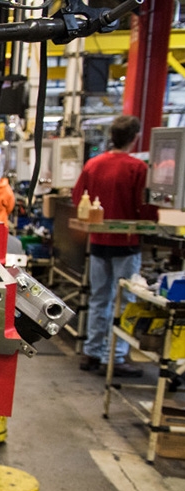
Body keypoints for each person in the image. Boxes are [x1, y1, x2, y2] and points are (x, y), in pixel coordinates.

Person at [72, 115, 158, 377]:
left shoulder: (93, 164)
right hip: (126, 244)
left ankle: (92, 352)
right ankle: (116, 356)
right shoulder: (137, 168)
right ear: (134, 138)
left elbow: (78, 198)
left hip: (98, 242)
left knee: (100, 298)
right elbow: (145, 207)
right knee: (124, 301)